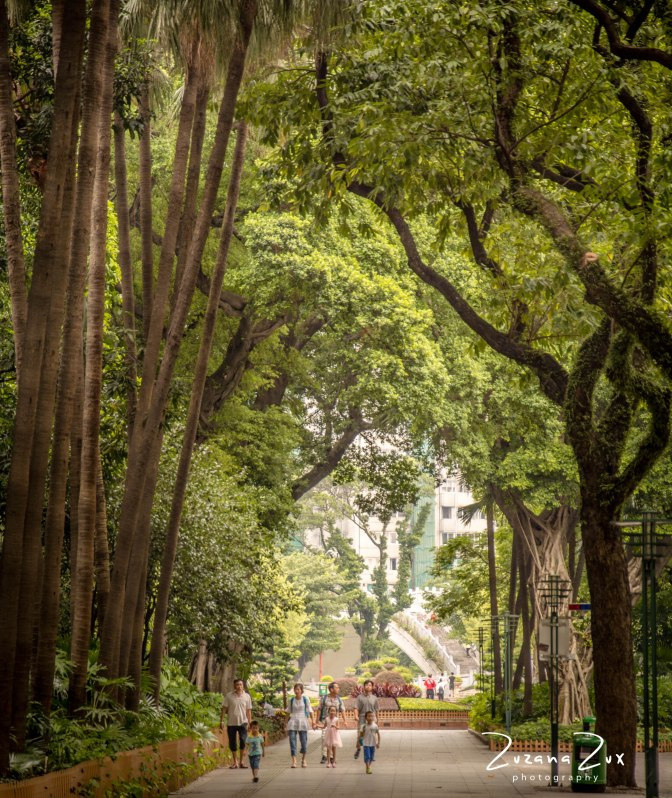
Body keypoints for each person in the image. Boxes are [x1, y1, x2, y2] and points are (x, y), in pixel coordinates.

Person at [220, 678, 252, 769]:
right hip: (231, 723)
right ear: (234, 686)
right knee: (232, 743)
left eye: (241, 685)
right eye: (237, 685)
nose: (239, 686)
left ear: (243, 686)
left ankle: (242, 761)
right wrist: (222, 721)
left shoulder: (247, 696)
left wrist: (250, 723)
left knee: (243, 741)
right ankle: (235, 762)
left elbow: (249, 711)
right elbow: (224, 709)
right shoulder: (229, 696)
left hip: (243, 722)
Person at [315, 681, 346, 764]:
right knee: (324, 738)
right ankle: (324, 756)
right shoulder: (324, 698)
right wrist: (316, 721)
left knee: (333, 739)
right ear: (331, 689)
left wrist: (345, 720)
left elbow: (342, 710)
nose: (338, 689)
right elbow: (319, 709)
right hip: (325, 720)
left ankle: (332, 757)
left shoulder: (339, 699)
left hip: (334, 722)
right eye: (337, 687)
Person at [287, 682, 314, 768]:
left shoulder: (305, 699)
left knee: (304, 741)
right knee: (292, 741)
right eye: (295, 689)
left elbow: (310, 710)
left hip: (302, 720)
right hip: (293, 721)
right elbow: (288, 712)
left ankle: (303, 759)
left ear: (302, 690)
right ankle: (294, 761)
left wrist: (313, 721)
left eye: (298, 689)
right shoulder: (291, 700)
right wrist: (285, 723)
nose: (296, 691)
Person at [354, 679, 379, 760]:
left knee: (372, 736)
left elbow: (377, 709)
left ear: (372, 687)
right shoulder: (359, 697)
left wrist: (377, 719)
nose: (368, 686)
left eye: (370, 685)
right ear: (364, 686)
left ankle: (372, 754)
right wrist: (356, 716)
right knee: (360, 735)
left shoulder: (374, 698)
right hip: (362, 718)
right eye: (367, 685)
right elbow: (356, 708)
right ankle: (358, 748)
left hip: (372, 719)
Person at [361, 710, 380, 775]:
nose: (371, 717)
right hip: (366, 743)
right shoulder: (363, 726)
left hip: (373, 744)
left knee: (371, 757)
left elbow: (378, 734)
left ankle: (368, 767)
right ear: (366, 718)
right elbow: (360, 735)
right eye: (369, 716)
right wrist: (358, 743)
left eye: (372, 716)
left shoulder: (375, 726)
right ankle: (368, 768)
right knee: (367, 756)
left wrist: (378, 743)